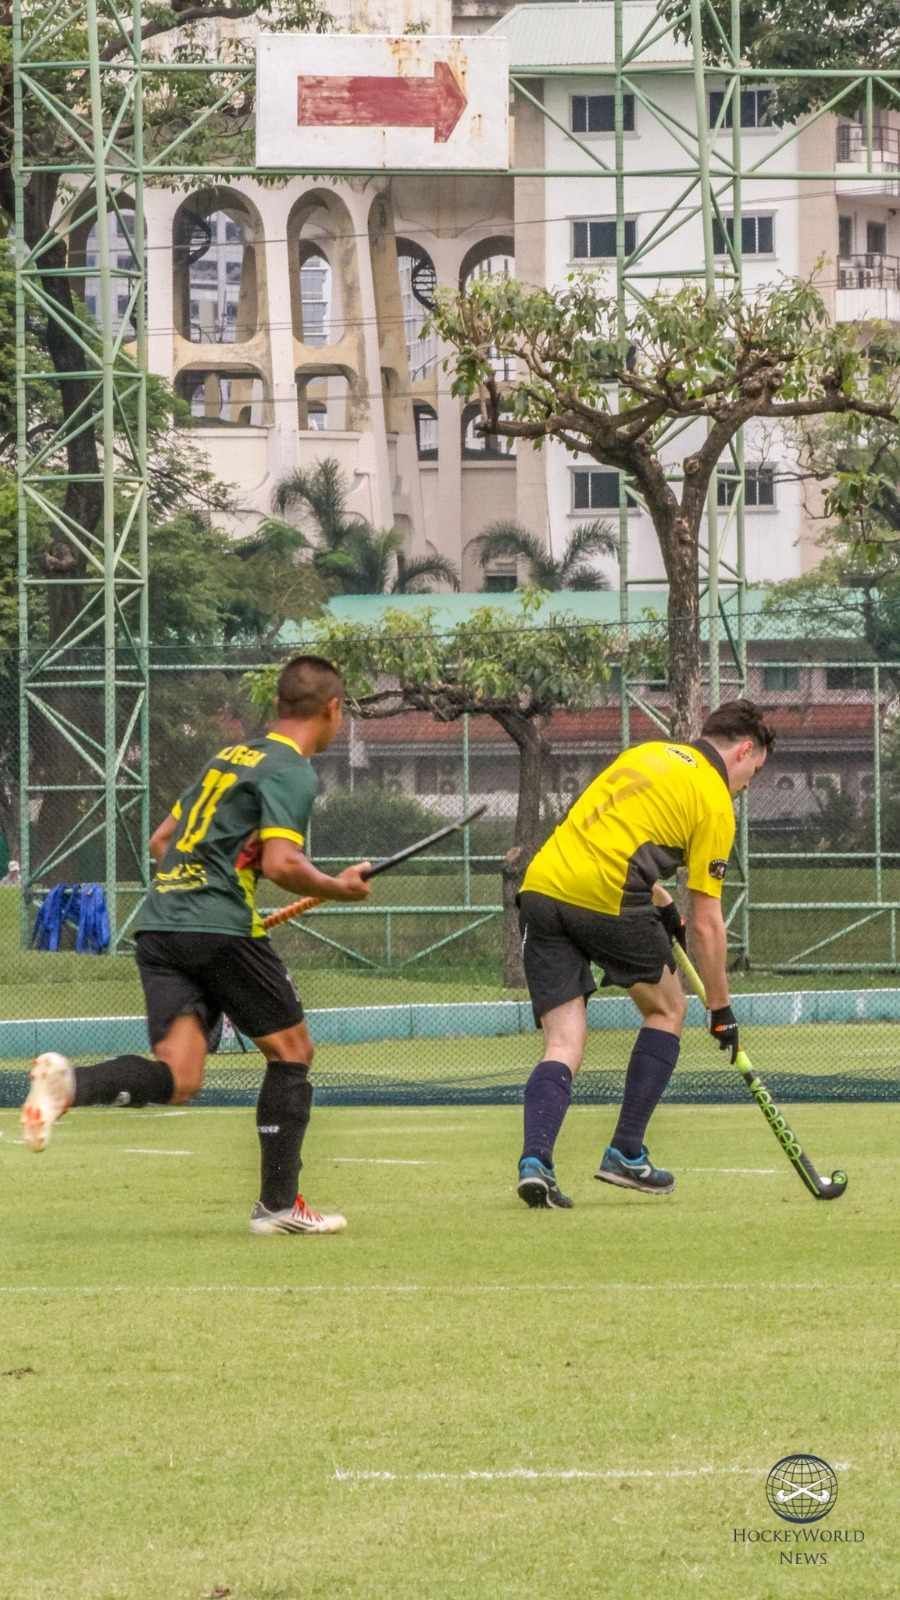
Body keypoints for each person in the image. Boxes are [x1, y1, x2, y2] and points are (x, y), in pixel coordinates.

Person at [20, 654, 372, 1236]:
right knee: (293, 1051)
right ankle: (278, 1208)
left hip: (160, 924)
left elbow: (164, 842)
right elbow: (284, 863)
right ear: (332, 710)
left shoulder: (228, 759)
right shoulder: (292, 770)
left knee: (179, 1076)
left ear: (281, 703)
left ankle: (69, 1084)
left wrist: (220, 879)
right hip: (217, 927)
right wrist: (336, 887)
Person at [515, 699, 775, 1209]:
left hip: (542, 887)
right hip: (605, 895)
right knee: (668, 1007)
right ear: (744, 750)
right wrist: (721, 1010)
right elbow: (706, 922)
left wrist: (659, 903)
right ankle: (626, 1152)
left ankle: (535, 1163)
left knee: (564, 1042)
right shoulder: (715, 800)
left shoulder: (647, 753)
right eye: (755, 773)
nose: (748, 785)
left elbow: (602, 832)